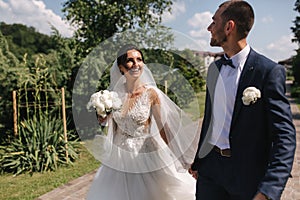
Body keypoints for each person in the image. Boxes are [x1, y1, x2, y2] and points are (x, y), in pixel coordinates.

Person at [189, 1, 296, 200]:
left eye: (214, 22)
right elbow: (211, 121)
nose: (209, 28)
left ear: (229, 27)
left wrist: (269, 188)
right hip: (210, 173)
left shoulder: (269, 72)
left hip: (248, 177)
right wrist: (199, 161)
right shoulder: (215, 69)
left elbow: (285, 136)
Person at [86, 44, 199, 200]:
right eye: (130, 60)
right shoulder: (114, 96)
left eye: (139, 59)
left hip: (146, 156)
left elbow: (163, 128)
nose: (136, 64)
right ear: (121, 67)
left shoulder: (151, 94)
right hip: (119, 159)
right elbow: (112, 126)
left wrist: (181, 159)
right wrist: (103, 117)